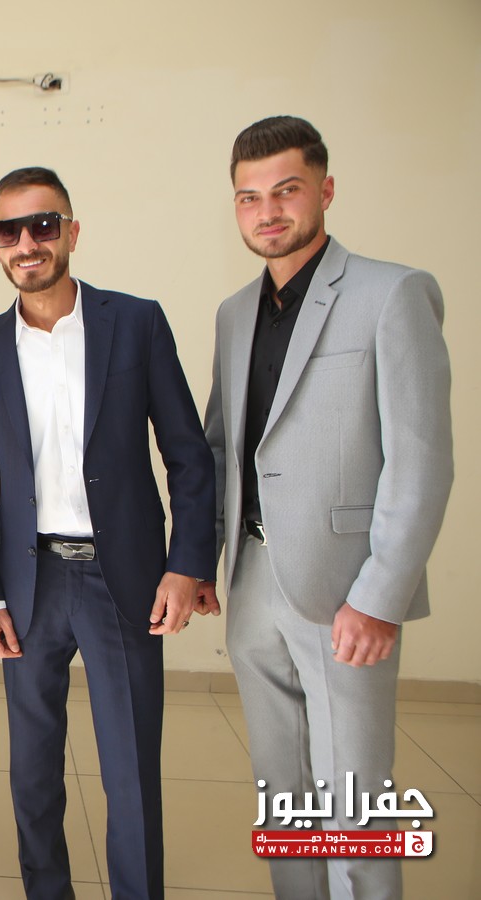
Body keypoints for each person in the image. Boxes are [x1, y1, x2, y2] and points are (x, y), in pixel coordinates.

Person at [201, 116, 452, 900]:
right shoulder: (234, 313)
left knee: (354, 793)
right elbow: (223, 449)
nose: (268, 211)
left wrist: (380, 598)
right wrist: (202, 561)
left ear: (325, 190)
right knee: (282, 788)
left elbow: (422, 462)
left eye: (286, 191)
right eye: (249, 198)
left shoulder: (393, 293)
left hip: (345, 589)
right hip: (252, 581)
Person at [0, 167, 216, 899]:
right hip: (29, 581)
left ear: (72, 231)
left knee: (130, 766)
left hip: (123, 577)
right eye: (8, 230)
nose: (26, 243)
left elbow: (187, 454)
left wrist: (187, 564)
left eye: (43, 225)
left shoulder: (135, 323)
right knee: (32, 768)